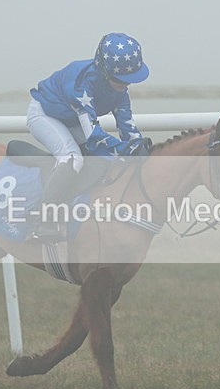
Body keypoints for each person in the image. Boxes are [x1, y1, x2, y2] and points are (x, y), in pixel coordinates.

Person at [27, 32, 152, 240]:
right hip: (44, 114)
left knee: (102, 159)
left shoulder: (121, 93)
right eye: (119, 79)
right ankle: (44, 221)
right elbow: (94, 137)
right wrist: (126, 150)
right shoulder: (80, 86)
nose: (126, 84)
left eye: (129, 79)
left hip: (71, 119)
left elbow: (128, 131)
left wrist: (143, 149)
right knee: (72, 158)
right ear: (104, 71)